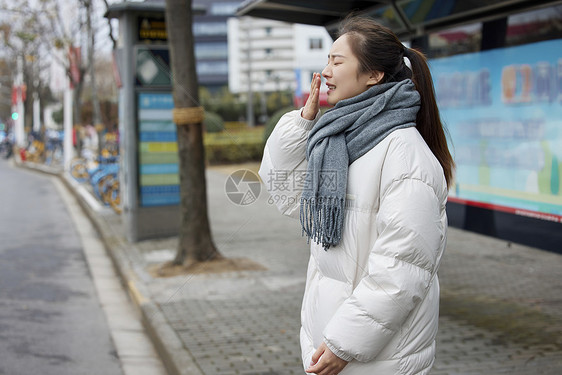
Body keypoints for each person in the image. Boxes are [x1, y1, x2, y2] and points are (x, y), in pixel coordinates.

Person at [259, 16, 454, 375]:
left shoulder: (405, 154)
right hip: (330, 348)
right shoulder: (338, 140)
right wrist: (302, 123)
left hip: (379, 357)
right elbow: (286, 194)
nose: (326, 71)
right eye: (327, 60)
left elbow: (401, 269)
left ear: (374, 75)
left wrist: (343, 344)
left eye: (337, 61)